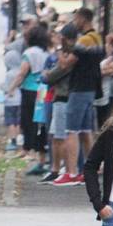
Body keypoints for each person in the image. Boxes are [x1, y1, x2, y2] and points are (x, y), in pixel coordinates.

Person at [54, 8, 105, 186]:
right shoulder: (98, 39)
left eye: (76, 18)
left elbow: (65, 65)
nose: (74, 22)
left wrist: (59, 48)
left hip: (79, 89)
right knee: (85, 131)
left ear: (83, 19)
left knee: (71, 131)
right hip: (91, 88)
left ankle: (71, 172)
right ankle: (89, 170)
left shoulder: (83, 41)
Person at [7, 25, 50, 172]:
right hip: (43, 90)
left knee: (27, 120)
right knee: (39, 121)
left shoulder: (29, 52)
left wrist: (11, 88)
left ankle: (27, 149)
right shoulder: (46, 52)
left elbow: (22, 72)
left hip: (29, 89)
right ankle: (38, 152)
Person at [39, 25, 74, 185]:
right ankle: (56, 169)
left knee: (61, 136)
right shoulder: (65, 55)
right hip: (59, 98)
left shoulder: (69, 57)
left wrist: (47, 73)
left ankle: (66, 170)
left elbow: (51, 75)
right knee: (55, 136)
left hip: (63, 97)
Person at [1, 50, 22, 152]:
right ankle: (19, 140)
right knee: (18, 121)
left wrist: (2, 87)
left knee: (11, 122)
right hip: (20, 100)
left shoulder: (9, 74)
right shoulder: (21, 72)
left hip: (10, 101)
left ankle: (12, 141)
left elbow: (7, 87)